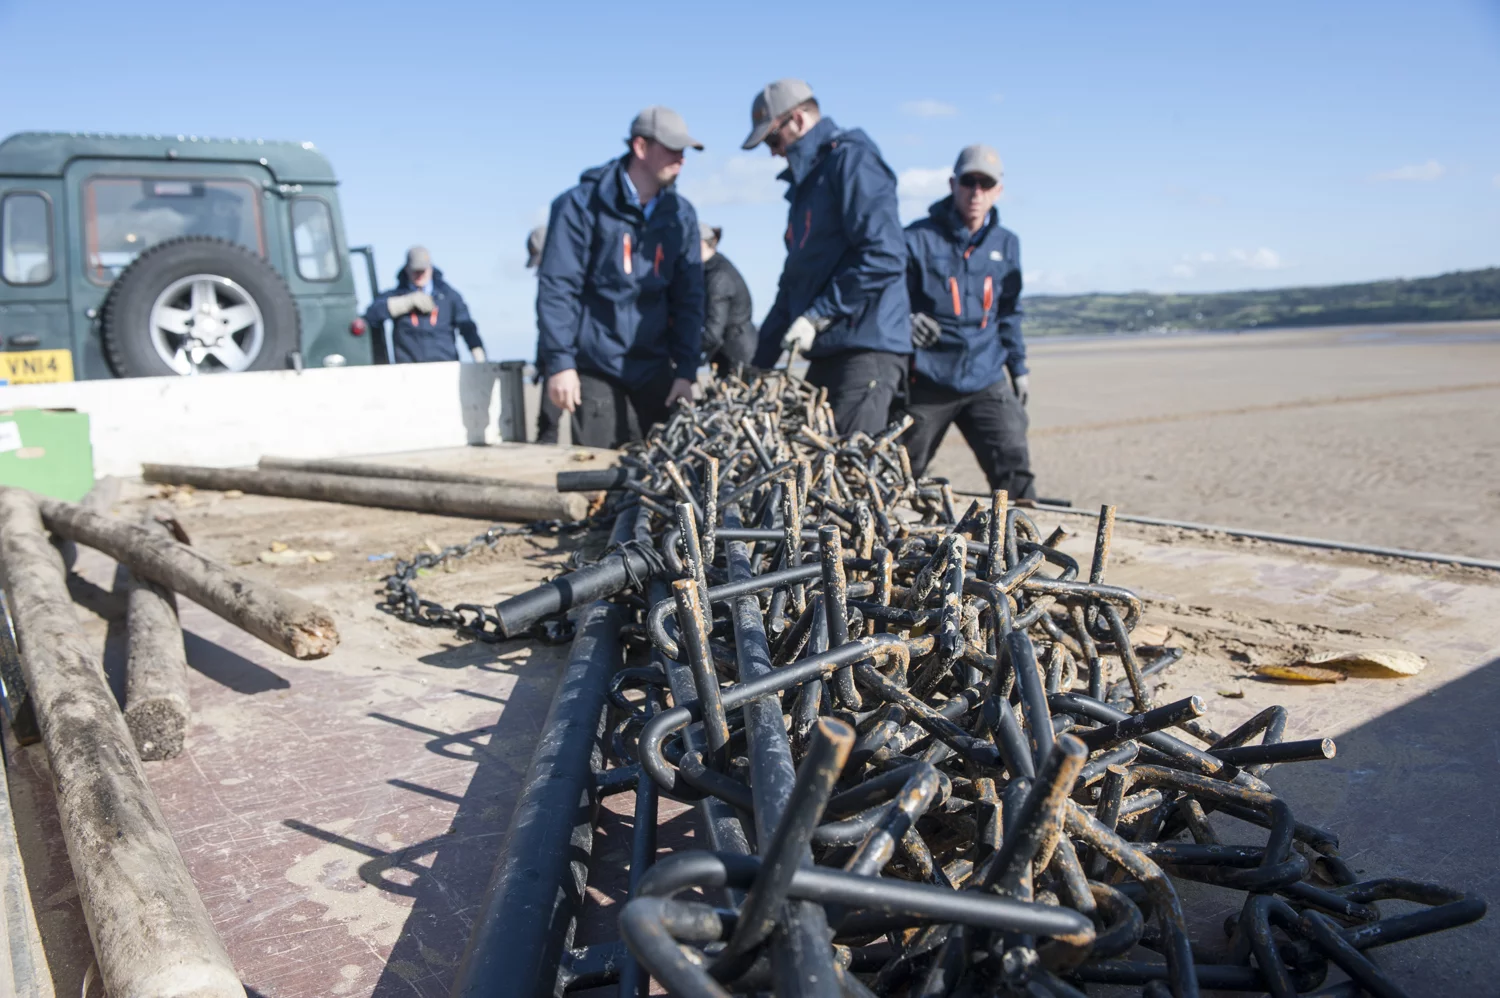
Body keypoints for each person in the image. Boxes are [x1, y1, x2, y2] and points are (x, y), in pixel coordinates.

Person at [746, 78, 910, 437]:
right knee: (808, 456)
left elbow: (884, 255)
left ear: (798, 119)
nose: (773, 153)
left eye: (773, 140)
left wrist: (817, 315)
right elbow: (794, 283)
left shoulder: (852, 160)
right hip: (829, 350)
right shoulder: (806, 186)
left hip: (865, 348)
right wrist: (756, 367)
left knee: (848, 462)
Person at [536, 106, 705, 449]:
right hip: (595, 368)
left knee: (662, 469)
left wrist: (687, 371)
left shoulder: (682, 215)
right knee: (600, 471)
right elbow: (558, 288)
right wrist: (560, 363)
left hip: (656, 370)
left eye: (684, 150)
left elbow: (690, 298)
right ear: (640, 147)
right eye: (672, 149)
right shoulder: (580, 206)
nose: (681, 159)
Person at [900, 144, 1034, 498]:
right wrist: (907, 320)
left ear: (998, 191)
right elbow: (889, 301)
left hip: (985, 375)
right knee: (899, 473)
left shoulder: (1007, 244)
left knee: (1015, 467)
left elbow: (1008, 312)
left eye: (985, 184)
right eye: (968, 182)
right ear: (952, 184)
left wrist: (1019, 368)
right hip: (928, 379)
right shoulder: (916, 239)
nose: (976, 192)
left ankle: (1019, 531)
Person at [365, 246, 485, 364]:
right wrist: (405, 302)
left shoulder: (449, 296)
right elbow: (371, 315)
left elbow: (467, 327)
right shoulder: (396, 295)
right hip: (407, 369)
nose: (419, 275)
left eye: (422, 270)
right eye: (415, 271)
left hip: (445, 367)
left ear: (430, 268)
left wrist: (480, 359)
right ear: (407, 269)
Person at [699, 223, 756, 379]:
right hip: (733, 350)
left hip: (736, 356)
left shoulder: (718, 276)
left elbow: (713, 332)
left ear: (701, 243)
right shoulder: (713, 269)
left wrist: (685, 350)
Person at [525, 224, 563, 444]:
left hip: (580, 360)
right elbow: (546, 328)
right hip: (552, 360)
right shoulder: (545, 283)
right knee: (548, 424)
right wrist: (540, 363)